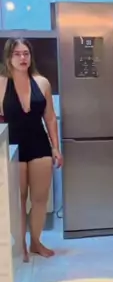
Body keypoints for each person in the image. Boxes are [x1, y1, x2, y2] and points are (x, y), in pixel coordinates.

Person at [0, 38, 63, 261]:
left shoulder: (42, 82)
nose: (22, 58)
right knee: (17, 200)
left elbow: (50, 117)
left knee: (39, 199)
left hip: (39, 145)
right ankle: (20, 246)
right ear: (9, 57)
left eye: (26, 53)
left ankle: (36, 242)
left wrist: (55, 147)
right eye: (17, 54)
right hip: (12, 147)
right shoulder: (1, 84)